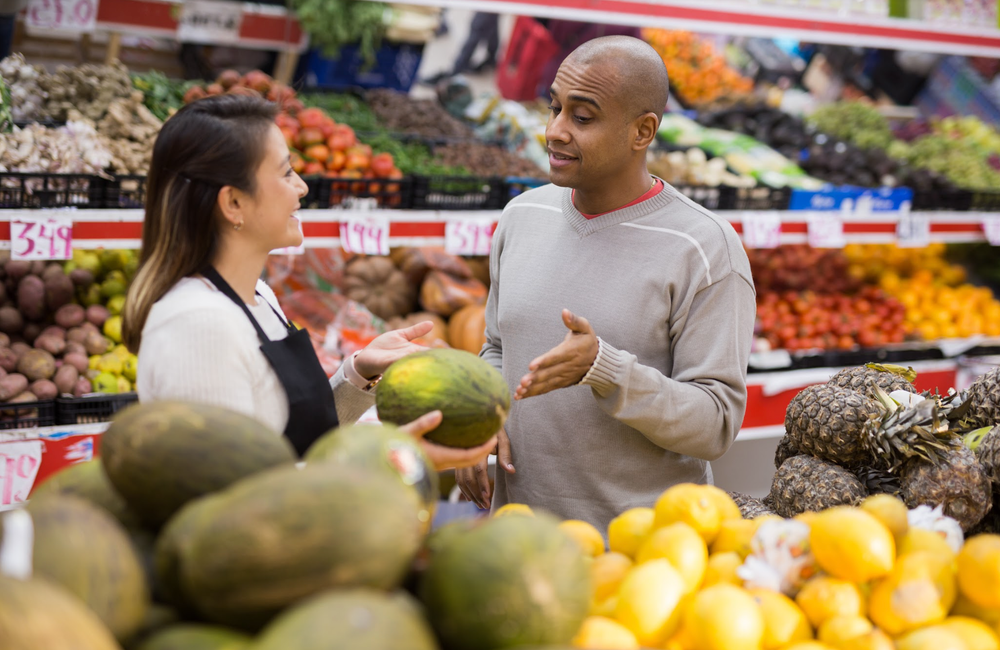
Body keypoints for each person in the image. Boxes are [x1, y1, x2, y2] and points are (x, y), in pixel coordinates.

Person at [456, 36, 756, 531]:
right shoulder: (521, 216)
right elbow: (496, 347)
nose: (554, 131)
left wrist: (606, 369)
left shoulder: (704, 248)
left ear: (643, 131)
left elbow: (716, 424)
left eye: (583, 117)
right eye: (554, 108)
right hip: (520, 543)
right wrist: (480, 413)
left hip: (645, 559)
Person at [122, 94, 496, 471]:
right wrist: (389, 461)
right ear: (233, 203)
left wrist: (358, 374)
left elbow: (293, 441)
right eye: (286, 173)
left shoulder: (258, 296)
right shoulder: (198, 326)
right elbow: (232, 496)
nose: (302, 187)